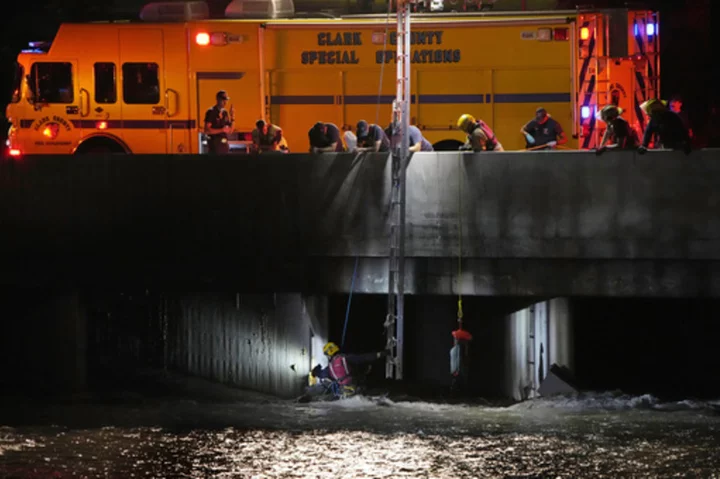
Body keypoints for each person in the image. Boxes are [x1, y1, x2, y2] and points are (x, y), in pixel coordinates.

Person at [306, 342, 388, 400]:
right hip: (355, 387)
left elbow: (321, 374)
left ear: (329, 354)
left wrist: (315, 371)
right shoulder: (345, 358)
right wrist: (380, 354)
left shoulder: (330, 367)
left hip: (344, 392)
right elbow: (363, 358)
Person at [204, 90, 235, 154]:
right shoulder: (211, 112)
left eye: (226, 100)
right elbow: (207, 130)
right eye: (223, 99)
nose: (225, 102)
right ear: (218, 99)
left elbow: (230, 130)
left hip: (224, 145)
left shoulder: (225, 113)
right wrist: (222, 130)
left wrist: (232, 117)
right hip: (214, 145)